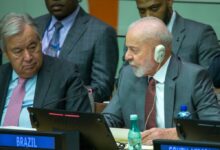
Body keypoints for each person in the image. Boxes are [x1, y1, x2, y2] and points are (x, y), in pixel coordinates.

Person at [102, 17, 220, 145]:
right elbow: (109, 119)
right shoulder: (128, 75)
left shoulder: (194, 77)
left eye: (134, 50)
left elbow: (214, 129)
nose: (127, 56)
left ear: (159, 52)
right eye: (127, 49)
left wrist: (177, 134)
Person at [0, 13, 91, 128]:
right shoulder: (2, 76)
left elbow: (82, 127)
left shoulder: (65, 74)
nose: (28, 57)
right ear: (6, 54)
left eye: (33, 47)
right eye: (18, 51)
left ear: (40, 42)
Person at [35, 0, 119, 102]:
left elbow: (102, 89)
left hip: (70, 112)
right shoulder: (33, 25)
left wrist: (61, 99)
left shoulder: (101, 32)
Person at [123, 0, 220, 69]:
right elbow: (123, 81)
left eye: (154, 8)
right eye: (142, 11)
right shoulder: (134, 37)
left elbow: (209, 84)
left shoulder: (200, 34)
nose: (148, 16)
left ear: (169, 1)